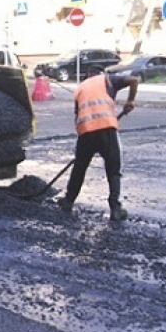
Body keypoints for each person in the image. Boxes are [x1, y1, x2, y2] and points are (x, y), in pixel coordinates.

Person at [57, 65, 138, 221]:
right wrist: (130, 101)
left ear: (88, 74)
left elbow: (78, 114)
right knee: (113, 169)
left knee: (79, 168)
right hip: (106, 128)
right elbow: (134, 80)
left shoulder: (80, 88)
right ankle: (115, 208)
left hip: (85, 130)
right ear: (102, 73)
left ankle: (68, 201)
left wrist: (83, 144)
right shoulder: (107, 79)